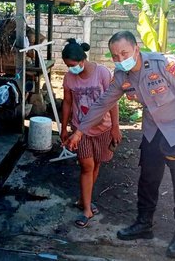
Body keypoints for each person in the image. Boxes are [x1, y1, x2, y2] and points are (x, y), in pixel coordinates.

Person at [65, 31, 175, 259]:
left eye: (124, 53)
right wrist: (79, 131)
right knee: (148, 179)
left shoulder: (164, 65)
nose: (120, 59)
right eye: (115, 56)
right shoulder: (121, 76)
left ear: (136, 48)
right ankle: (144, 224)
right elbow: (102, 104)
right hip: (152, 131)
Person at [59, 38, 120, 228]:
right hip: (81, 128)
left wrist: (116, 126)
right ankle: (87, 210)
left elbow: (112, 101)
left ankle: (83, 200)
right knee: (86, 166)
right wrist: (63, 127)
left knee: (96, 165)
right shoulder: (69, 78)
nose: (71, 69)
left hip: (103, 128)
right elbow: (67, 102)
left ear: (82, 59)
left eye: (73, 65)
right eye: (68, 66)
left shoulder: (102, 72)